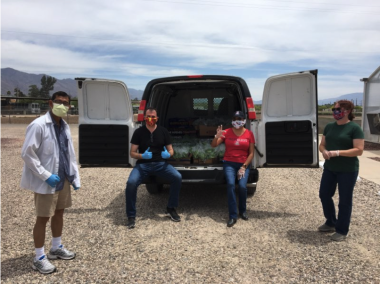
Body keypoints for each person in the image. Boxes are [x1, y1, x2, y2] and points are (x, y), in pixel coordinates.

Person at [20, 91, 81, 274]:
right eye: (59, 102)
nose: (62, 105)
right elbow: (27, 154)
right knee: (43, 217)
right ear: (50, 103)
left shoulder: (64, 126)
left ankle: (56, 247)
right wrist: (45, 175)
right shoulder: (38, 125)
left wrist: (74, 176)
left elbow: (68, 153)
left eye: (65, 103)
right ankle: (38, 257)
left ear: (69, 106)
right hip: (47, 180)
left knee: (59, 213)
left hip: (62, 179)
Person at [125, 107, 182, 229]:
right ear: (145, 117)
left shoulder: (163, 131)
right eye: (148, 116)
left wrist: (168, 154)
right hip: (142, 165)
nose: (150, 118)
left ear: (157, 118)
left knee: (177, 177)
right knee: (131, 183)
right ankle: (131, 216)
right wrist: (142, 156)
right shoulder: (138, 132)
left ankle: (171, 208)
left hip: (160, 164)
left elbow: (171, 150)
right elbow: (132, 153)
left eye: (153, 116)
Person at [318, 100, 364, 242]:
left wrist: (337, 152)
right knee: (324, 194)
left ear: (348, 111)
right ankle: (331, 222)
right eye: (334, 109)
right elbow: (322, 145)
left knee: (344, 201)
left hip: (347, 170)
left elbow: (359, 150)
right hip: (330, 168)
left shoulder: (354, 128)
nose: (335, 111)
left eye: (338, 109)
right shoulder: (330, 127)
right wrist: (324, 151)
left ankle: (342, 230)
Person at [211, 111, 255, 227]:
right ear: (232, 120)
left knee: (242, 186)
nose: (237, 121)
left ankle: (243, 210)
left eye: (239, 118)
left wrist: (244, 167)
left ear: (244, 120)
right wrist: (217, 136)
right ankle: (232, 216)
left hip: (243, 165)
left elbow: (251, 154)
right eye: (235, 118)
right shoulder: (227, 132)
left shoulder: (249, 134)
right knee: (230, 185)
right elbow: (214, 145)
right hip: (229, 163)